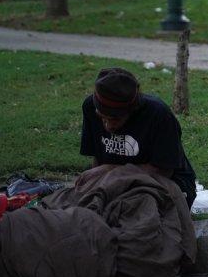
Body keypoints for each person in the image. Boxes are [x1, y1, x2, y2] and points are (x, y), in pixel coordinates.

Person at [80, 67, 197, 208]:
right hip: (116, 180)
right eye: (102, 118)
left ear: (132, 111)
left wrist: (110, 170)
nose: (108, 126)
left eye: (115, 119)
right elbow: (98, 157)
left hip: (164, 182)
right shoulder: (89, 107)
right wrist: (97, 182)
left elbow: (163, 171)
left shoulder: (158, 115)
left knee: (138, 208)